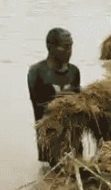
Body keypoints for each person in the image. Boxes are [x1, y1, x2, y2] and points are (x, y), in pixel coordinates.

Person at [27, 28, 81, 162]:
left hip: (73, 138)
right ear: (50, 47)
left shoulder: (74, 72)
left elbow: (78, 104)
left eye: (71, 46)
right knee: (49, 172)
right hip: (49, 139)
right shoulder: (37, 72)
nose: (69, 51)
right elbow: (39, 105)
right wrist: (64, 99)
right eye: (65, 47)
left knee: (78, 166)